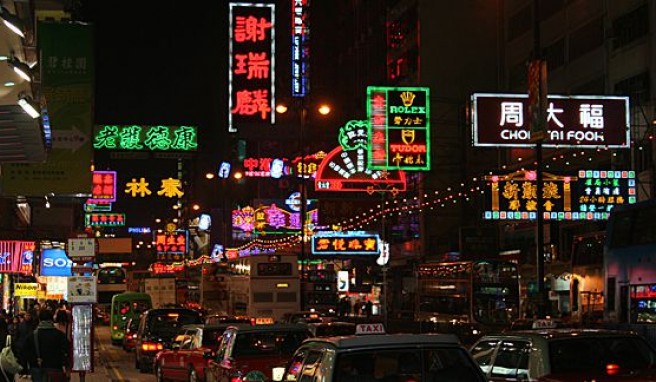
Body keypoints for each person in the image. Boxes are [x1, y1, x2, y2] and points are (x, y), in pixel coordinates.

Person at [20, 309, 69, 382]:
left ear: (39, 319)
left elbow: (24, 352)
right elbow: (66, 351)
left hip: (37, 369)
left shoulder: (32, 336)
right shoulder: (60, 335)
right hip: (56, 369)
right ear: (52, 319)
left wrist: (28, 366)